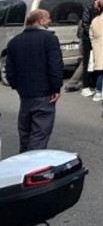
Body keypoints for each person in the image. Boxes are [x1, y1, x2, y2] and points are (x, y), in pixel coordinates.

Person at [5, 9, 63, 152]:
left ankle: (23, 159)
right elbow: (55, 66)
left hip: (25, 94)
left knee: (25, 131)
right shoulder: (49, 39)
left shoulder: (14, 42)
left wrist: (17, 87)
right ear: (41, 20)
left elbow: (9, 70)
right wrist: (56, 88)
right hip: (44, 93)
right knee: (40, 133)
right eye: (48, 18)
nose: (50, 21)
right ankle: (31, 165)